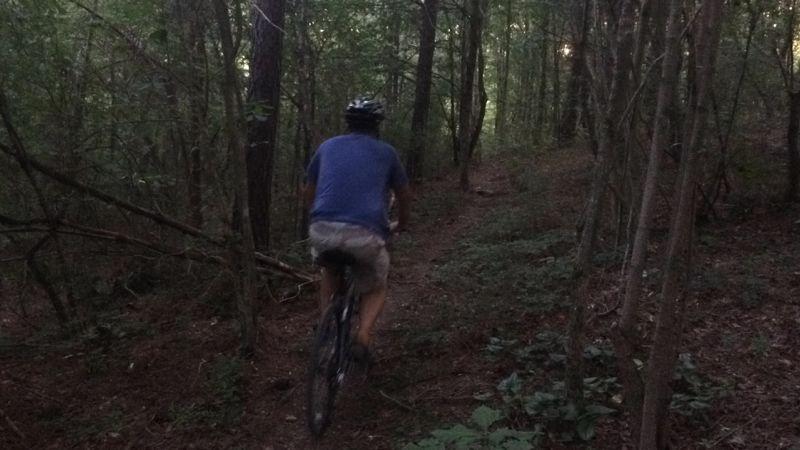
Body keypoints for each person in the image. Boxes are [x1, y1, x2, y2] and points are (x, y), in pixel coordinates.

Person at [303, 97, 411, 364]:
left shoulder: (327, 147)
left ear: (348, 123)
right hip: (366, 235)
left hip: (322, 229)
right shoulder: (387, 153)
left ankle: (327, 323)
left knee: (330, 268)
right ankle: (362, 336)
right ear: (377, 126)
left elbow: (307, 191)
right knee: (376, 285)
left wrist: (317, 216)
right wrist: (402, 224)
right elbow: (405, 196)